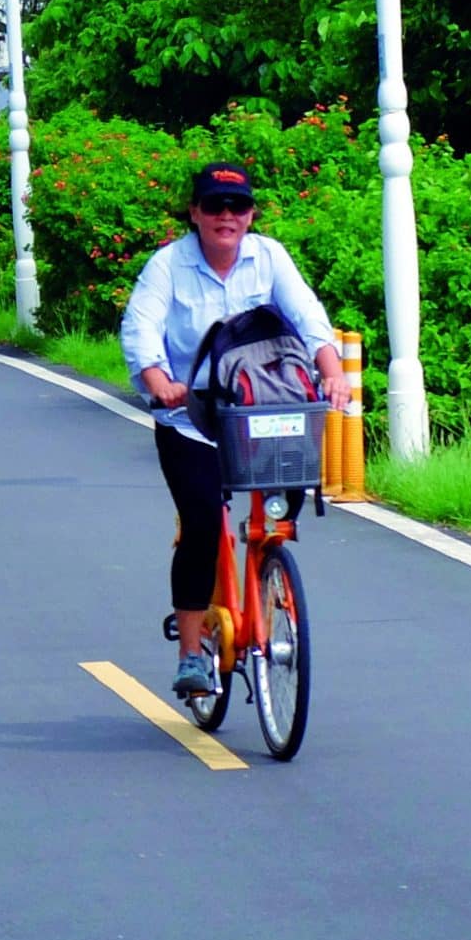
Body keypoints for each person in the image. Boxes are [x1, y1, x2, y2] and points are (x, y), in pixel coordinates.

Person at [120, 162, 341, 701]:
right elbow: (140, 326)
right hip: (190, 418)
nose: (226, 216)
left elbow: (308, 316)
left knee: (278, 520)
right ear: (194, 213)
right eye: (214, 206)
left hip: (261, 416)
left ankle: (269, 580)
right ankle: (191, 654)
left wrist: (331, 372)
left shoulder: (269, 258)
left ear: (251, 214)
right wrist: (157, 379)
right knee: (200, 523)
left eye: (237, 207)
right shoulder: (169, 265)